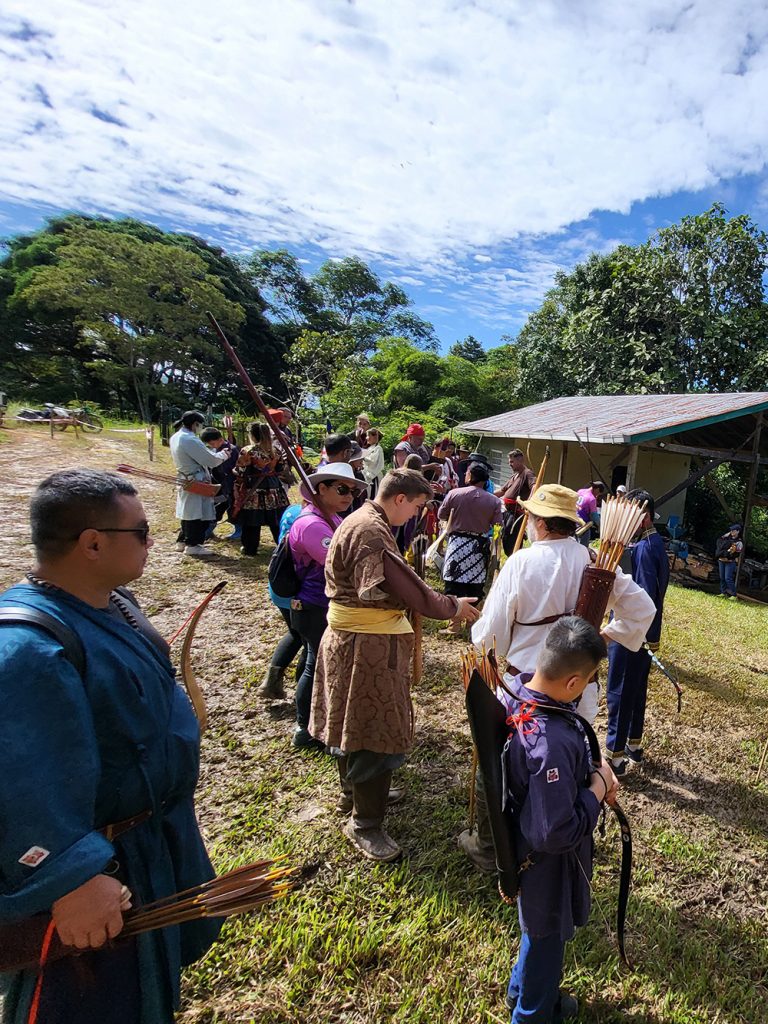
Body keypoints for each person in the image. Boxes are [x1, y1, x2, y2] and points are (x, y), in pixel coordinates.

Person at [0, 470, 220, 1024]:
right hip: (98, 872)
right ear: (92, 543)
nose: (151, 541)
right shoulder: (26, 648)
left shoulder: (111, 602)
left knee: (148, 993)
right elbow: (18, 776)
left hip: (144, 845)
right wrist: (69, 879)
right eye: (142, 531)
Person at [462, 483, 655, 872]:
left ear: (538, 522)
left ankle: (490, 847)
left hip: (523, 689)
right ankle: (561, 845)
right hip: (575, 690)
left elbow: (487, 636)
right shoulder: (595, 560)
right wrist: (604, 635)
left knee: (501, 766)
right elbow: (643, 610)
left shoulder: (522, 562)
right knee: (569, 763)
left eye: (531, 518)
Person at [310, 469, 480, 862]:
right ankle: (364, 822)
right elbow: (414, 593)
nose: (418, 515)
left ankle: (355, 794)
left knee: (354, 723)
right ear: (400, 498)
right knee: (374, 730)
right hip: (364, 649)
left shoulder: (363, 521)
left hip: (356, 642)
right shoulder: (371, 530)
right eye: (418, 506)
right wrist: (455, 606)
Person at [501, 617, 619, 1024]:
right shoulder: (550, 744)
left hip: (523, 847)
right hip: (544, 863)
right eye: (587, 682)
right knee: (547, 933)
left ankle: (524, 991)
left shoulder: (516, 691)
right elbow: (555, 831)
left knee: (537, 929)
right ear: (572, 684)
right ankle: (531, 1014)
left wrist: (592, 769)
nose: (587, 689)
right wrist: (598, 790)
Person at [289, 464, 368, 748]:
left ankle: (309, 722)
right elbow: (340, 564)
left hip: (323, 602)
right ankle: (303, 726)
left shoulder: (331, 517)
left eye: (353, 491)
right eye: (342, 489)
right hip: (313, 604)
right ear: (321, 489)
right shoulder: (312, 524)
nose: (349, 496)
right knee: (315, 664)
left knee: (312, 661)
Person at [605, 489, 670, 776]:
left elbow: (642, 600)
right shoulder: (654, 544)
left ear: (642, 518)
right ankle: (633, 744)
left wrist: (625, 631)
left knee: (620, 689)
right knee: (635, 688)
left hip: (633, 632)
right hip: (646, 634)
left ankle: (615, 756)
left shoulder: (644, 549)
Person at [438, 463, 503, 609]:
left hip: (457, 544)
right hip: (479, 546)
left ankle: (454, 622)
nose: (465, 475)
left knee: (453, 583)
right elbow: (498, 524)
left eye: (467, 472)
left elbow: (441, 514)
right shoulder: (494, 501)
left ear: (471, 476)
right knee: (475, 584)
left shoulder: (454, 494)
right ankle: (471, 620)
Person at [169, 410, 230, 557]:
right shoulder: (189, 439)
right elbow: (210, 460)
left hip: (187, 477)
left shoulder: (177, 436)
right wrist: (223, 455)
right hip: (195, 479)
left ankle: (183, 540)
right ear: (194, 424)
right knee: (196, 513)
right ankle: (193, 544)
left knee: (188, 511)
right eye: (199, 425)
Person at [233, 422, 289, 557]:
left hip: (255, 488)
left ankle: (250, 548)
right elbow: (281, 469)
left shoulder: (248, 450)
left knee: (251, 520)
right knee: (276, 520)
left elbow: (241, 470)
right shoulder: (275, 450)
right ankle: (283, 547)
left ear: (252, 434)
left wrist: (238, 485)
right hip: (274, 488)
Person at [200, 427, 240, 540]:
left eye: (212, 443)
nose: (211, 446)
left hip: (230, 485)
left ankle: (238, 530)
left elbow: (230, 470)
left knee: (232, 508)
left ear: (220, 439)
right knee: (216, 508)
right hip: (219, 485)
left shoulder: (230, 450)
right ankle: (208, 530)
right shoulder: (216, 450)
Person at [496, 449, 537, 556]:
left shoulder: (527, 473)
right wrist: (486, 495)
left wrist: (529, 502)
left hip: (517, 514)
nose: (510, 464)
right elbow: (502, 491)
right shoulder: (514, 475)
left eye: (512, 462)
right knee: (505, 536)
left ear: (520, 461)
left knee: (513, 539)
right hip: (508, 513)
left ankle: (514, 558)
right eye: (509, 462)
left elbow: (535, 486)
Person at [715, 523, 743, 599]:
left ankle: (734, 595)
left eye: (733, 530)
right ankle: (723, 592)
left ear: (738, 531)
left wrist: (728, 554)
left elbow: (736, 554)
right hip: (721, 560)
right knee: (722, 578)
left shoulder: (739, 542)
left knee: (728, 578)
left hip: (730, 562)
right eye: (731, 530)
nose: (731, 532)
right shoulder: (726, 538)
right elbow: (719, 543)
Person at [362, 428, 385, 498]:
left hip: (374, 476)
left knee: (373, 495)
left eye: (368, 436)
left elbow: (372, 461)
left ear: (375, 437)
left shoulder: (378, 448)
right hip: (368, 475)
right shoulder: (370, 448)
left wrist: (362, 457)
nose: (366, 438)